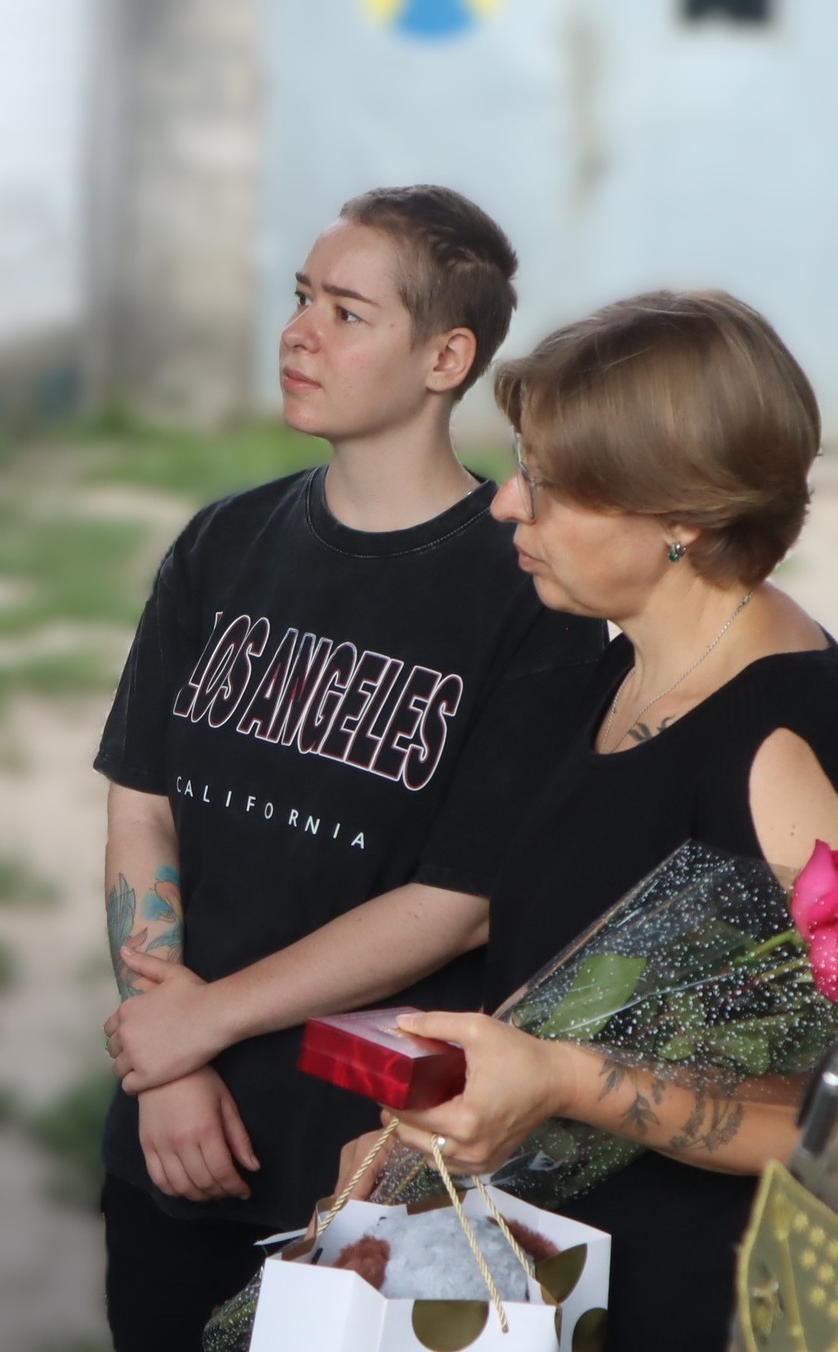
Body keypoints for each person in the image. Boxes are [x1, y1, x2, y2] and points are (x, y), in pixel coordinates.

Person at [90, 185, 606, 1348]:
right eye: (298, 298)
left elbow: (458, 900)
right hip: (170, 1131)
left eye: (344, 311)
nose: (297, 333)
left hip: (367, 1162)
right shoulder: (220, 541)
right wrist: (164, 1058)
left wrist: (200, 1021)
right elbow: (140, 804)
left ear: (445, 358)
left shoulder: (528, 596)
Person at [334, 290, 838, 1352]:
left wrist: (563, 1082)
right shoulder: (624, 667)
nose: (505, 504)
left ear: (680, 518)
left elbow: (825, 1128)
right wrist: (425, 1126)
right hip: (550, 1277)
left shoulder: (784, 754)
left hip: (698, 1305)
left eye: (551, 484)